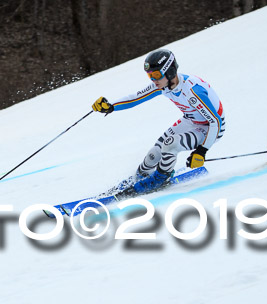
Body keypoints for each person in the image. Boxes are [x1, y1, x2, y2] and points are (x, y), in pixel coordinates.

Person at [92, 48, 225, 194]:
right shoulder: (163, 85)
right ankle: (139, 178)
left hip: (210, 129)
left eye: (156, 75)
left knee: (171, 144)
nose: (153, 80)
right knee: (153, 154)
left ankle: (161, 179)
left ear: (170, 72)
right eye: (150, 76)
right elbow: (136, 98)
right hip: (191, 120)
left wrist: (201, 151)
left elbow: (216, 122)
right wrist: (111, 107)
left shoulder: (193, 91)